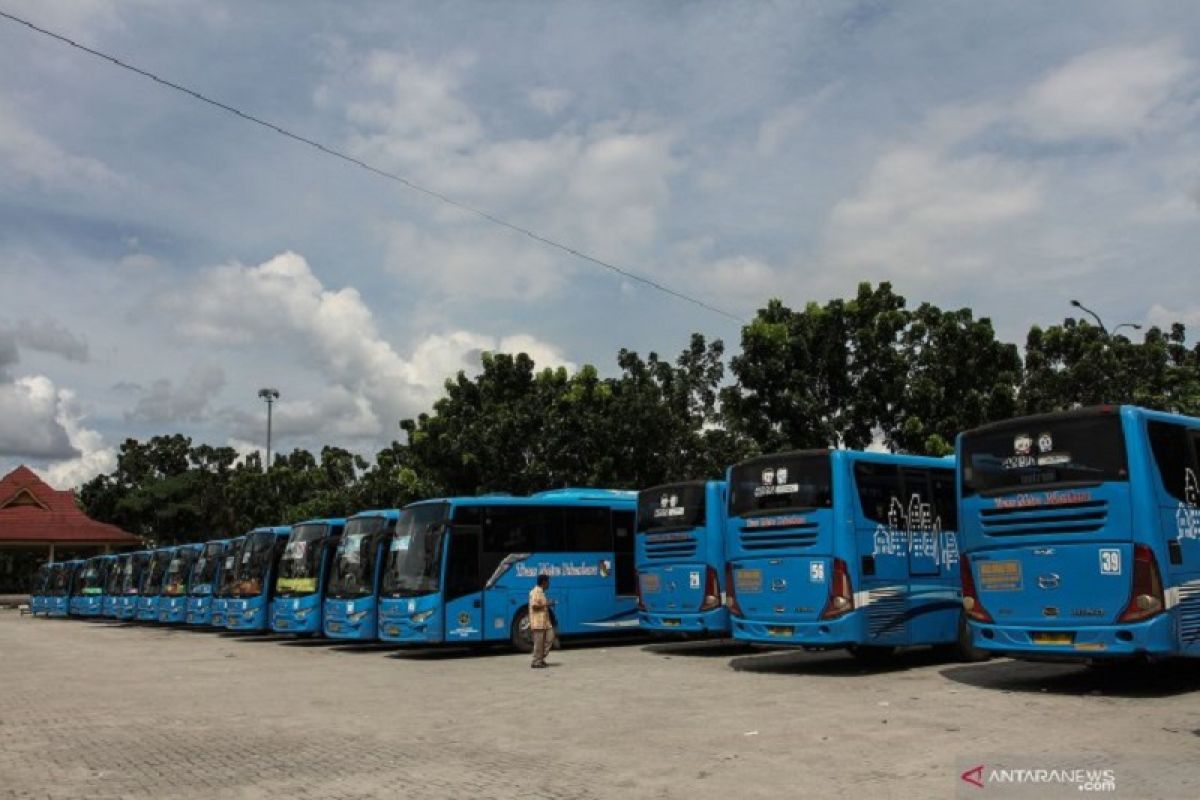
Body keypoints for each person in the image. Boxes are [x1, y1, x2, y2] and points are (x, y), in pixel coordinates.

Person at [529, 574, 554, 668]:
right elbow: (534, 605)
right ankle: (536, 661)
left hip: (544, 622)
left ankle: (540, 658)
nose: (549, 584)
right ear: (544, 582)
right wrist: (546, 604)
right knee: (539, 643)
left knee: (550, 637)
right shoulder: (535, 592)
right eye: (548, 582)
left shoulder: (541, 592)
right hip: (538, 622)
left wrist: (547, 603)